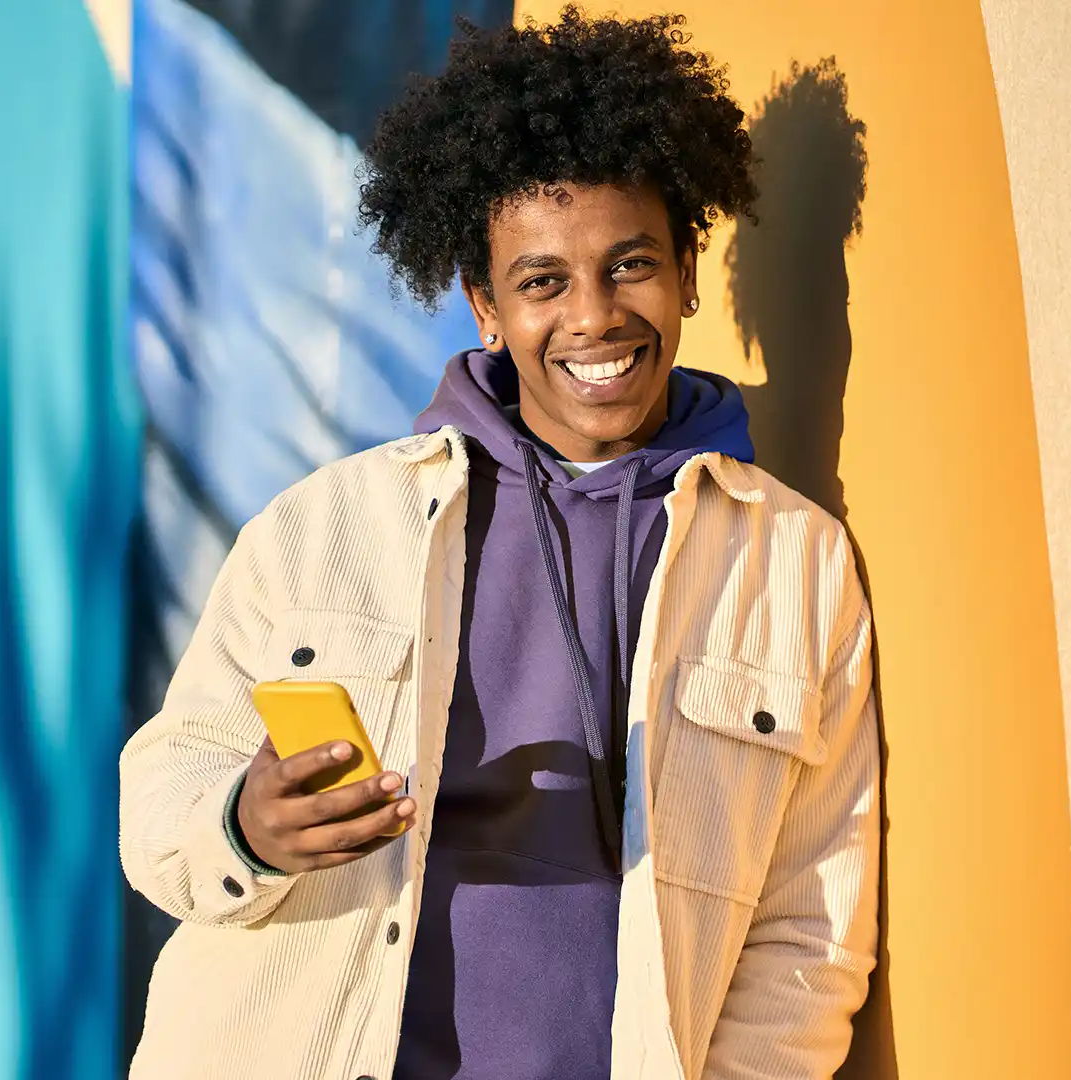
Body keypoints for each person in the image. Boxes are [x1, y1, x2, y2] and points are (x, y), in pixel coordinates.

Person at [119, 9, 880, 1079]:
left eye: (631, 265)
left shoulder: (796, 567)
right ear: (485, 304)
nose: (594, 316)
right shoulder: (327, 526)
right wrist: (248, 828)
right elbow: (159, 810)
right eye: (542, 281)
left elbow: (811, 930)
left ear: (688, 269)